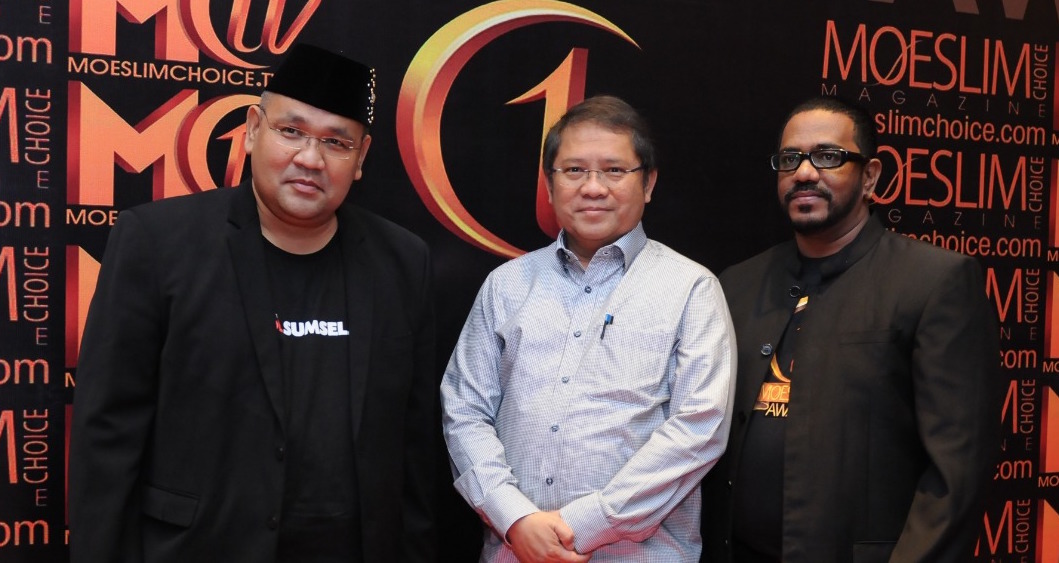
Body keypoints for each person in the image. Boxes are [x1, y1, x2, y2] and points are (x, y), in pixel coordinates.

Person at [69, 43, 436, 563]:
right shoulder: (158, 243)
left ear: (360, 159)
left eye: (336, 142)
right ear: (252, 129)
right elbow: (107, 433)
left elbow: (416, 446)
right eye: (291, 131)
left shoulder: (401, 263)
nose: (310, 159)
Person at [700, 96, 1000, 563]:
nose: (804, 172)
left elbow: (956, 475)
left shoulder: (933, 281)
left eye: (828, 156)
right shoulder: (736, 284)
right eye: (790, 159)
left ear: (871, 177)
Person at [441, 95, 736, 562]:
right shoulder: (507, 285)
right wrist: (515, 518)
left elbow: (700, 428)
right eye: (574, 170)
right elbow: (464, 410)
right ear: (549, 184)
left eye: (614, 171)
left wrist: (584, 523)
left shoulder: (691, 288)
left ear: (649, 183)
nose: (593, 188)